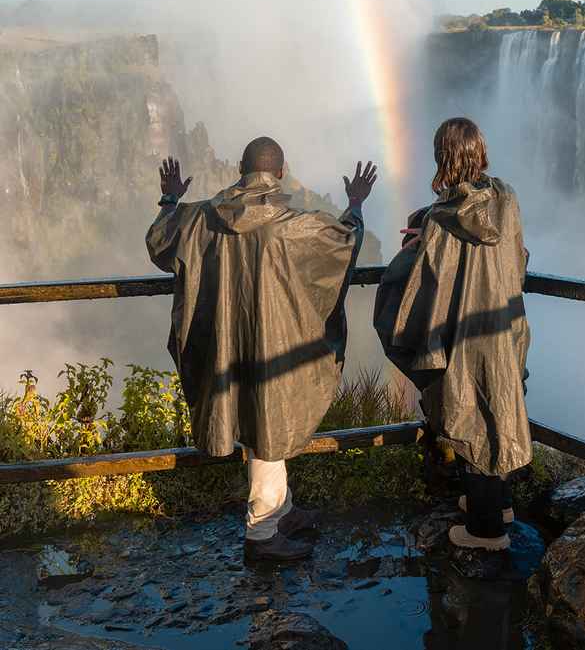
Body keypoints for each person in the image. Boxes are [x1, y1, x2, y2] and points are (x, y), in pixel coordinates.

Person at [146, 138, 377, 562]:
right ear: (282, 173)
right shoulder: (294, 225)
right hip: (273, 344)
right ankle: (262, 535)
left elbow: (160, 242)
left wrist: (170, 198)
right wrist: (357, 203)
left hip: (223, 346)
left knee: (262, 422)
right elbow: (345, 243)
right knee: (268, 422)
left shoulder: (199, 219)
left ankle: (282, 510)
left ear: (239, 168)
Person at [374, 117, 531, 552]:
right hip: (504, 325)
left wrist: (410, 250)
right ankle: (497, 505)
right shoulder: (507, 199)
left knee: (469, 413)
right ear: (480, 152)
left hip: (462, 333)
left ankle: (486, 533)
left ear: (443, 158)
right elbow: (517, 259)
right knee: (496, 405)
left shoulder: (440, 219)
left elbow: (423, 285)